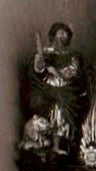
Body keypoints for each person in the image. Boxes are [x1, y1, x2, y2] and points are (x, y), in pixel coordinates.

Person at [24, 23, 88, 153]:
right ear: (53, 35)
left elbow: (73, 72)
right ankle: (46, 143)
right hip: (47, 88)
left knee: (66, 105)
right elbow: (36, 72)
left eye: (66, 33)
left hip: (66, 88)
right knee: (45, 105)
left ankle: (63, 145)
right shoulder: (46, 53)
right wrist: (39, 63)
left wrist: (55, 71)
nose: (63, 36)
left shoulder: (73, 55)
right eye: (60, 33)